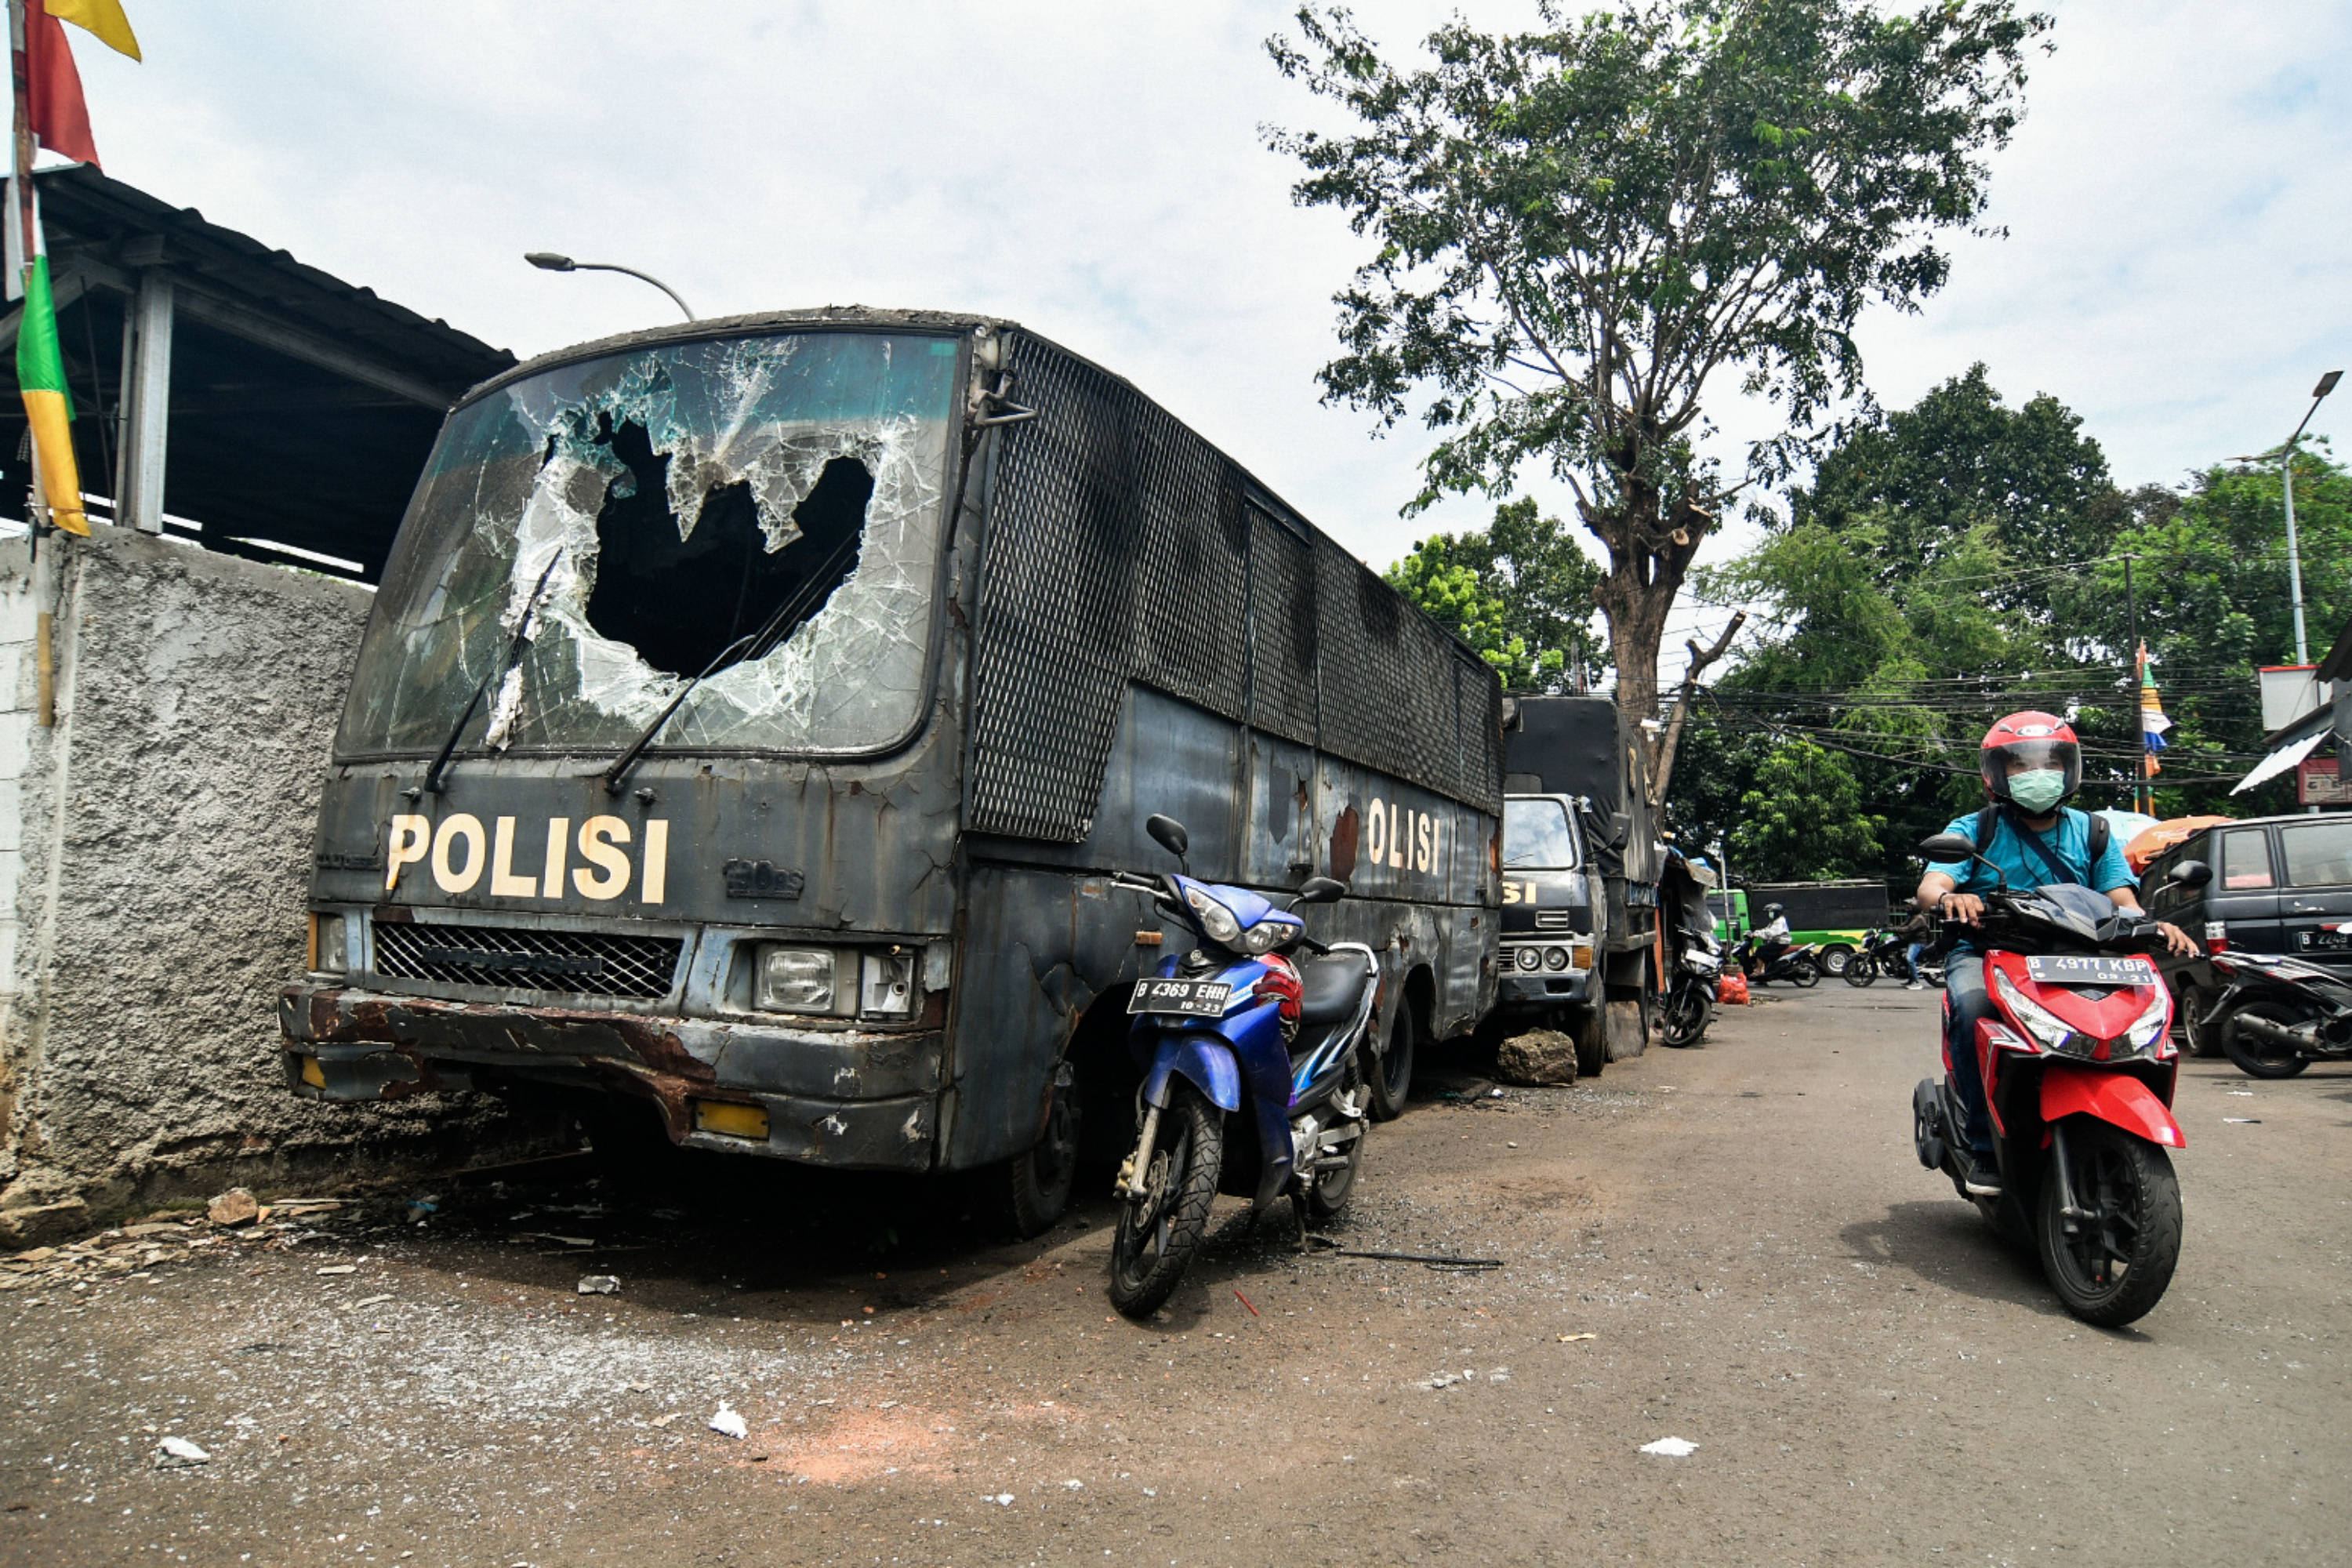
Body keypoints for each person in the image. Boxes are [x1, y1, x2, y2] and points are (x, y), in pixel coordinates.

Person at [1915, 712, 2195, 1198]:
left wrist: (2155, 924)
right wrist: (1949, 898)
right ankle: (1981, 1142)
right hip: (1990, 952)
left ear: (2070, 769)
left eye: (2048, 764)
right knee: (1974, 1009)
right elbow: (1932, 884)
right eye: (2020, 766)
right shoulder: (1974, 828)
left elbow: (2121, 903)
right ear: (1996, 775)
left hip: (2080, 955)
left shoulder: (2094, 832)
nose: (2035, 775)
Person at [1752, 902, 1791, 973]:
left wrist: (1758, 935)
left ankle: (1759, 970)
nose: (1770, 914)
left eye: (1771, 912)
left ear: (1777, 913)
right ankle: (1766, 974)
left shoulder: (1779, 921)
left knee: (1760, 950)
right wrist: (1756, 932)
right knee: (1765, 952)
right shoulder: (1775, 921)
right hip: (1778, 942)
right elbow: (1767, 929)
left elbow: (1771, 933)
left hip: (1780, 943)